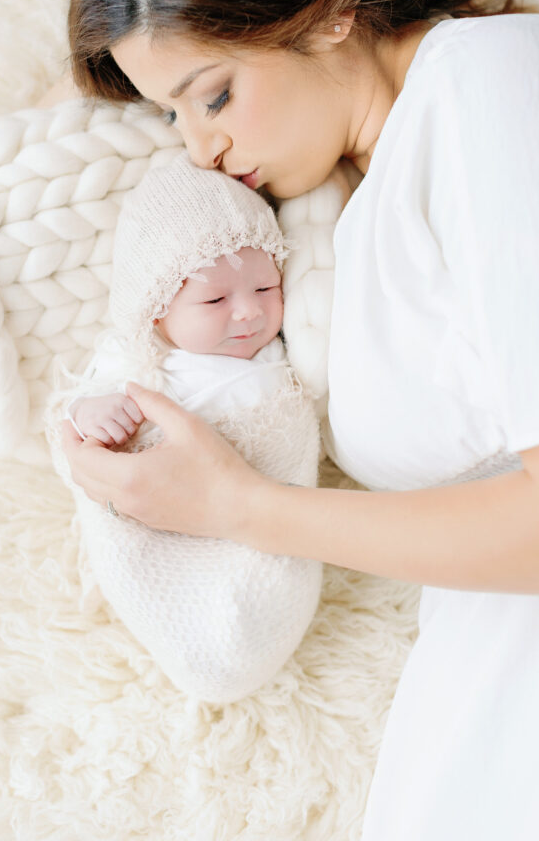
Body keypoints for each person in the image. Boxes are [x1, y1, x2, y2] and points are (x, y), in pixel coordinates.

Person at [60, 0, 539, 839]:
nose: (200, 148)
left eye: (211, 95)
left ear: (330, 3)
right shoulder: (344, 214)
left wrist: (238, 507)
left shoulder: (490, 86)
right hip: (481, 722)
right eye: (170, 117)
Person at [47, 153, 322, 703]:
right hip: (167, 525)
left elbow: (298, 436)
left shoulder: (277, 355)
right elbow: (73, 434)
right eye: (215, 299)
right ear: (155, 310)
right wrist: (90, 416)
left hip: (262, 506)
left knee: (265, 576)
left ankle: (254, 625)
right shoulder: (137, 363)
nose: (247, 313)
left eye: (266, 289)